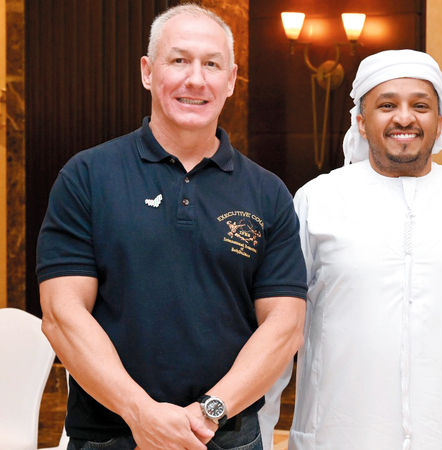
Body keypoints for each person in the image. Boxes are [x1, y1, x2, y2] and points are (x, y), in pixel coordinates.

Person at [36, 5, 307, 450]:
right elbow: (62, 315)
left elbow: (285, 326)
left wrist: (208, 412)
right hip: (110, 434)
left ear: (231, 80)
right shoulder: (87, 176)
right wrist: (141, 413)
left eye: (212, 64)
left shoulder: (268, 193)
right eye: (179, 60)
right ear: (148, 71)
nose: (196, 79)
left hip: (226, 435)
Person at [287, 50, 442, 449]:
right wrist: (262, 428)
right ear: (361, 121)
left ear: (440, 120)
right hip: (337, 437)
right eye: (387, 105)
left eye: (420, 106)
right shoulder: (316, 201)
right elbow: (280, 331)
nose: (404, 118)